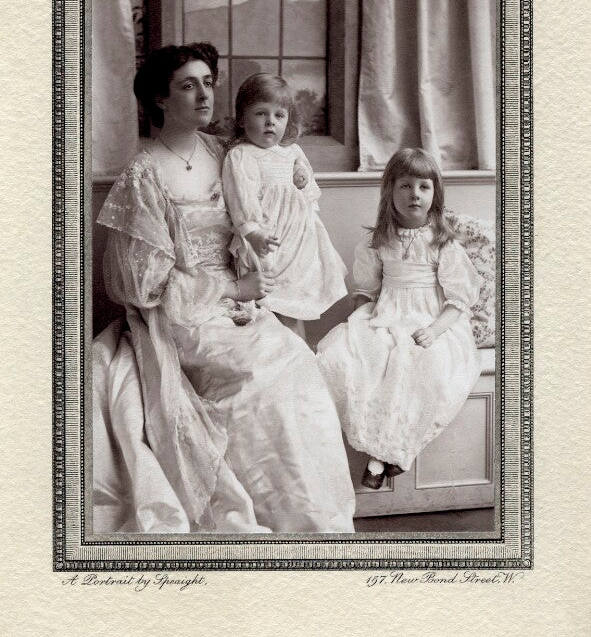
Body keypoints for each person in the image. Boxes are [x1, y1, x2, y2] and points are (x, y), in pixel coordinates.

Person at [93, 42, 356, 533]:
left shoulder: (229, 152)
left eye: (208, 83)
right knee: (256, 376)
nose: (203, 95)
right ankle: (272, 522)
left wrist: (297, 179)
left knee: (298, 362)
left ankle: (314, 522)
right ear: (158, 99)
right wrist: (232, 290)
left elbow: (273, 201)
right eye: (187, 86)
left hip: (246, 303)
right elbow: (142, 283)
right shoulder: (142, 174)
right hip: (185, 314)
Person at [316, 148, 481, 490]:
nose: (414, 195)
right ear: (390, 190)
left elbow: (458, 301)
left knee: (416, 360)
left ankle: (386, 456)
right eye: (405, 185)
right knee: (346, 354)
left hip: (432, 318)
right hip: (387, 313)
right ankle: (377, 454)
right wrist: (359, 320)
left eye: (424, 186)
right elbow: (367, 292)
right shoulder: (377, 241)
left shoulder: (442, 243)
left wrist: (434, 330)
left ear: (435, 194)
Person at [221, 73, 347, 334]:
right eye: (260, 114)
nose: (270, 122)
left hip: (298, 242)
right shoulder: (242, 155)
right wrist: (252, 233)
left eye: (279, 115)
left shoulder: (292, 152)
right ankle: (277, 355)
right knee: (269, 303)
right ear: (242, 119)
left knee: (295, 302)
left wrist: (302, 183)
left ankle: (298, 356)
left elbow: (310, 195)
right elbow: (240, 199)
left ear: (289, 120)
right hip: (266, 240)